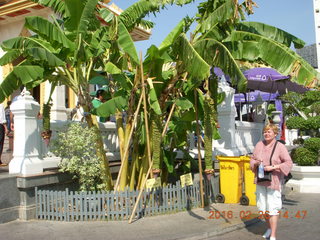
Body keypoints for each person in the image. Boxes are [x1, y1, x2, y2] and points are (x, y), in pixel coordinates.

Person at [250, 123, 293, 240]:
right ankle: (268, 228)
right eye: (265, 131)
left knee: (273, 207)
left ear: (275, 134)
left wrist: (273, 167)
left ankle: (273, 234)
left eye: (269, 132)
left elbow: (288, 163)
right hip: (260, 180)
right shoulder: (259, 145)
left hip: (273, 181)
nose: (266, 134)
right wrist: (256, 163)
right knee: (262, 207)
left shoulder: (280, 147)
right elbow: (252, 160)